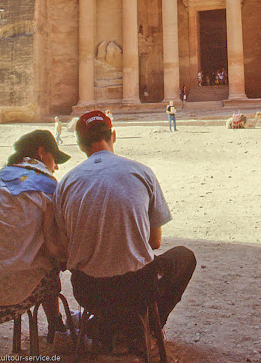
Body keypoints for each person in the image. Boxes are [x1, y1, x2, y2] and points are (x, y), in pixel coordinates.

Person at [54, 111, 196, 353]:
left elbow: (64, 245)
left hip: (88, 291)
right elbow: (154, 242)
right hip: (137, 288)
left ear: (80, 145)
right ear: (114, 136)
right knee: (184, 257)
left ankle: (109, 329)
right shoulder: (141, 172)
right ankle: (147, 329)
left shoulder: (66, 182)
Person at [0, 130, 71, 342]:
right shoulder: (48, 188)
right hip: (18, 295)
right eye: (54, 158)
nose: (56, 166)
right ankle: (56, 325)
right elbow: (53, 248)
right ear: (41, 152)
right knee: (52, 264)